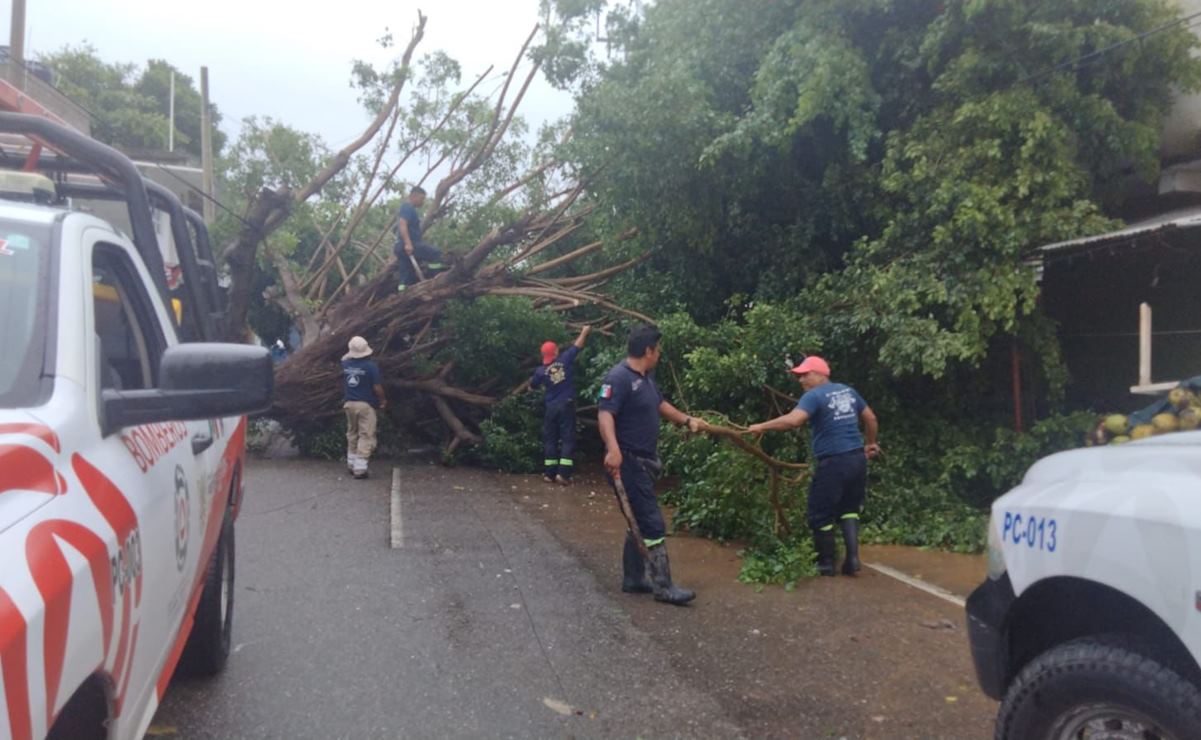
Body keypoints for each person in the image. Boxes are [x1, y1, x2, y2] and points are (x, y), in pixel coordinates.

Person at [743, 356, 879, 576]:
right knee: (849, 509)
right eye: (800, 375)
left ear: (821, 374)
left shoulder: (814, 396)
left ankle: (826, 563)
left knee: (819, 513)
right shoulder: (848, 391)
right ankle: (852, 559)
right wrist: (871, 444)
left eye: (806, 374)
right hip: (857, 460)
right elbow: (871, 419)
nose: (801, 380)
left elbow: (793, 421)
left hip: (833, 462)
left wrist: (762, 426)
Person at [598, 324, 700, 605]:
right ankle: (664, 586)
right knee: (653, 523)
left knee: (640, 521)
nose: (660, 355)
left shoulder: (647, 378)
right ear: (648, 350)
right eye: (658, 350)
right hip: (627, 462)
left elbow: (660, 404)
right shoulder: (617, 378)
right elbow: (605, 415)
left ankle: (633, 579)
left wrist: (687, 420)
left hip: (644, 462)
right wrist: (613, 449)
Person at [531, 325, 591, 484]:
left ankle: (549, 474)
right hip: (566, 404)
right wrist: (584, 332)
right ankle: (563, 474)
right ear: (556, 352)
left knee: (550, 439)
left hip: (551, 407)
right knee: (567, 439)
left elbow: (533, 385)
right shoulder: (564, 360)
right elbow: (577, 346)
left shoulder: (540, 371)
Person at [341, 336, 388, 479]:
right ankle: (360, 469)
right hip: (365, 405)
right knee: (366, 435)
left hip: (349, 404)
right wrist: (383, 400)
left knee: (352, 433)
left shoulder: (345, 364)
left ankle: (351, 464)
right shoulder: (371, 366)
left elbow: (344, 357)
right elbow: (377, 387)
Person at [395, 186, 445, 291]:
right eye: (422, 199)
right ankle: (435, 280)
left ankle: (402, 293)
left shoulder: (406, 208)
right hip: (409, 244)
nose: (422, 202)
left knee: (406, 273)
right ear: (414, 196)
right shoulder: (407, 207)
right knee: (435, 253)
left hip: (400, 246)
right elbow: (402, 224)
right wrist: (408, 243)